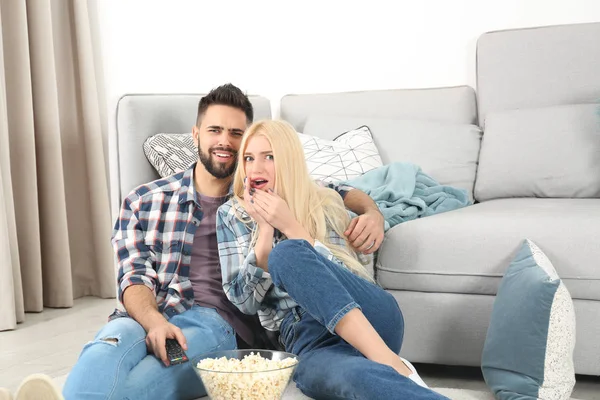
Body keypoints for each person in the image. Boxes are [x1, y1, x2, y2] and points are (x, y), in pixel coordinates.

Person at [42, 84, 384, 400]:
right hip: (143, 316)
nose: (225, 141)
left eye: (236, 133)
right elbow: (132, 276)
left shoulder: (261, 194)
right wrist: (155, 322)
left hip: (215, 325)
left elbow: (326, 190)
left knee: (144, 382)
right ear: (196, 135)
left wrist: (372, 211)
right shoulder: (144, 200)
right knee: (104, 350)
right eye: (214, 130)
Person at [216, 119, 449, 400]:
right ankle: (393, 371)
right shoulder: (231, 214)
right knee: (356, 377)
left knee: (288, 253)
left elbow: (348, 277)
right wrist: (264, 232)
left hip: (370, 315)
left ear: (288, 161)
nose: (256, 168)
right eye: (249, 158)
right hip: (307, 337)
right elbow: (244, 302)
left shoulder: (324, 200)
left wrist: (291, 227)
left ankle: (390, 362)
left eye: (270, 156)